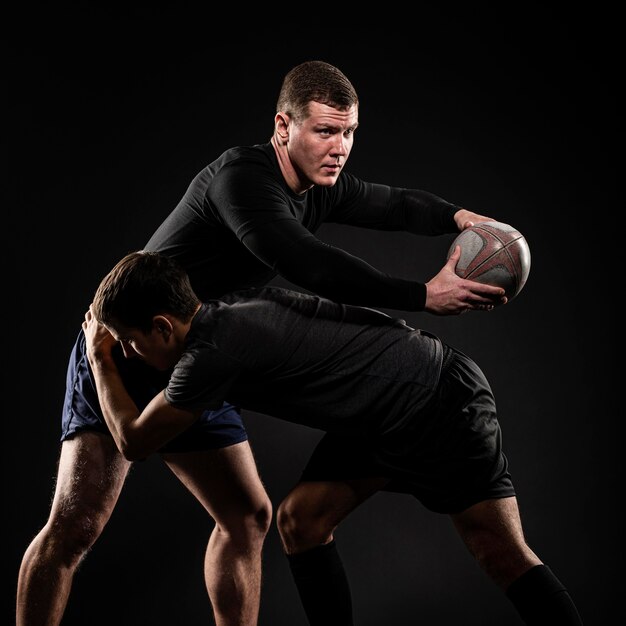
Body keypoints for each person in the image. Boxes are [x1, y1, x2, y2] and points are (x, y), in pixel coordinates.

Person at [17, 60, 507, 626]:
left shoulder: (320, 186)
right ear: (283, 127)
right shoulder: (241, 181)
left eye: (349, 132)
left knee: (247, 518)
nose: (341, 146)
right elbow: (304, 262)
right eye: (325, 131)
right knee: (75, 528)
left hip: (205, 356)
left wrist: (461, 218)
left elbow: (393, 203)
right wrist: (423, 295)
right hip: (128, 353)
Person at [83, 249, 584, 626]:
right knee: (302, 519)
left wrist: (99, 359)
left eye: (128, 342)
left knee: (498, 550)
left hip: (437, 401)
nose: (127, 353)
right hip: (379, 415)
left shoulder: (208, 355)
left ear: (162, 326)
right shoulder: (227, 314)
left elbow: (133, 441)